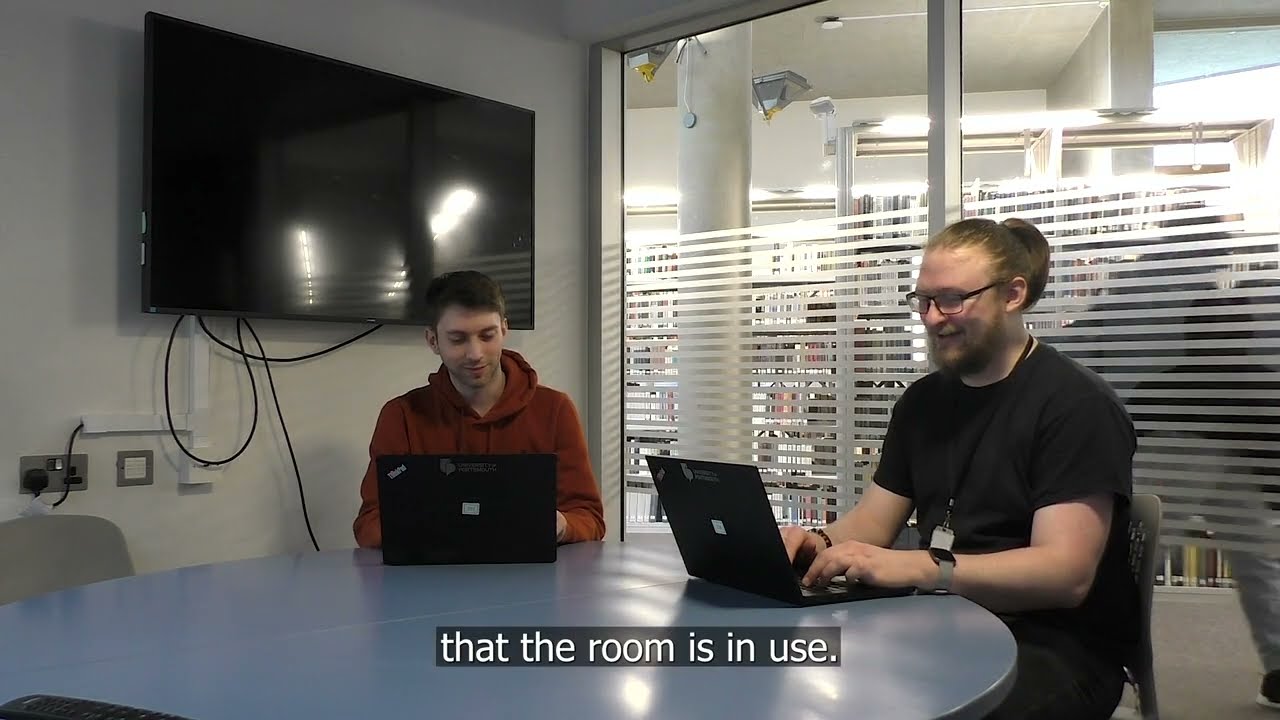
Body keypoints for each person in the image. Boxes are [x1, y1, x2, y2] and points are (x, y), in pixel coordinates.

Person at [781, 217, 1140, 720]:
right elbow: (871, 525)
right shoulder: (923, 402)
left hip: (1054, 644)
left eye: (952, 299)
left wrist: (922, 568)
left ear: (1013, 294)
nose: (932, 318)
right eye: (924, 301)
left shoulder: (1076, 406)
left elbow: (1065, 574)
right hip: (939, 618)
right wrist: (815, 542)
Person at [352, 270, 606, 548]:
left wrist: (562, 525)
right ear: (433, 341)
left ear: (505, 330)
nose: (475, 353)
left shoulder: (555, 410)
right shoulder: (401, 416)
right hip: (433, 582)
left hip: (531, 581)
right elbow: (369, 525)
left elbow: (590, 517)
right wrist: (438, 527)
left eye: (487, 336)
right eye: (458, 339)